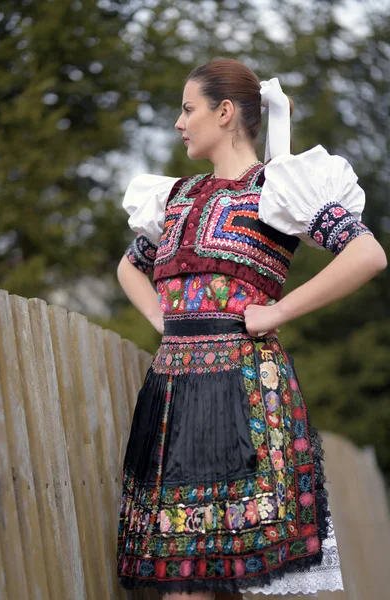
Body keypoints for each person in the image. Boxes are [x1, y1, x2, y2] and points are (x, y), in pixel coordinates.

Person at [115, 58, 387, 599]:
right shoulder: (175, 197)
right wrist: (160, 320)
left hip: (244, 394)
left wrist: (278, 312)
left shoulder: (276, 187)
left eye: (188, 109)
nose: (178, 122)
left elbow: (368, 254)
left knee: (242, 581)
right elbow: (129, 266)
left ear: (224, 112)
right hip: (171, 398)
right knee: (180, 581)